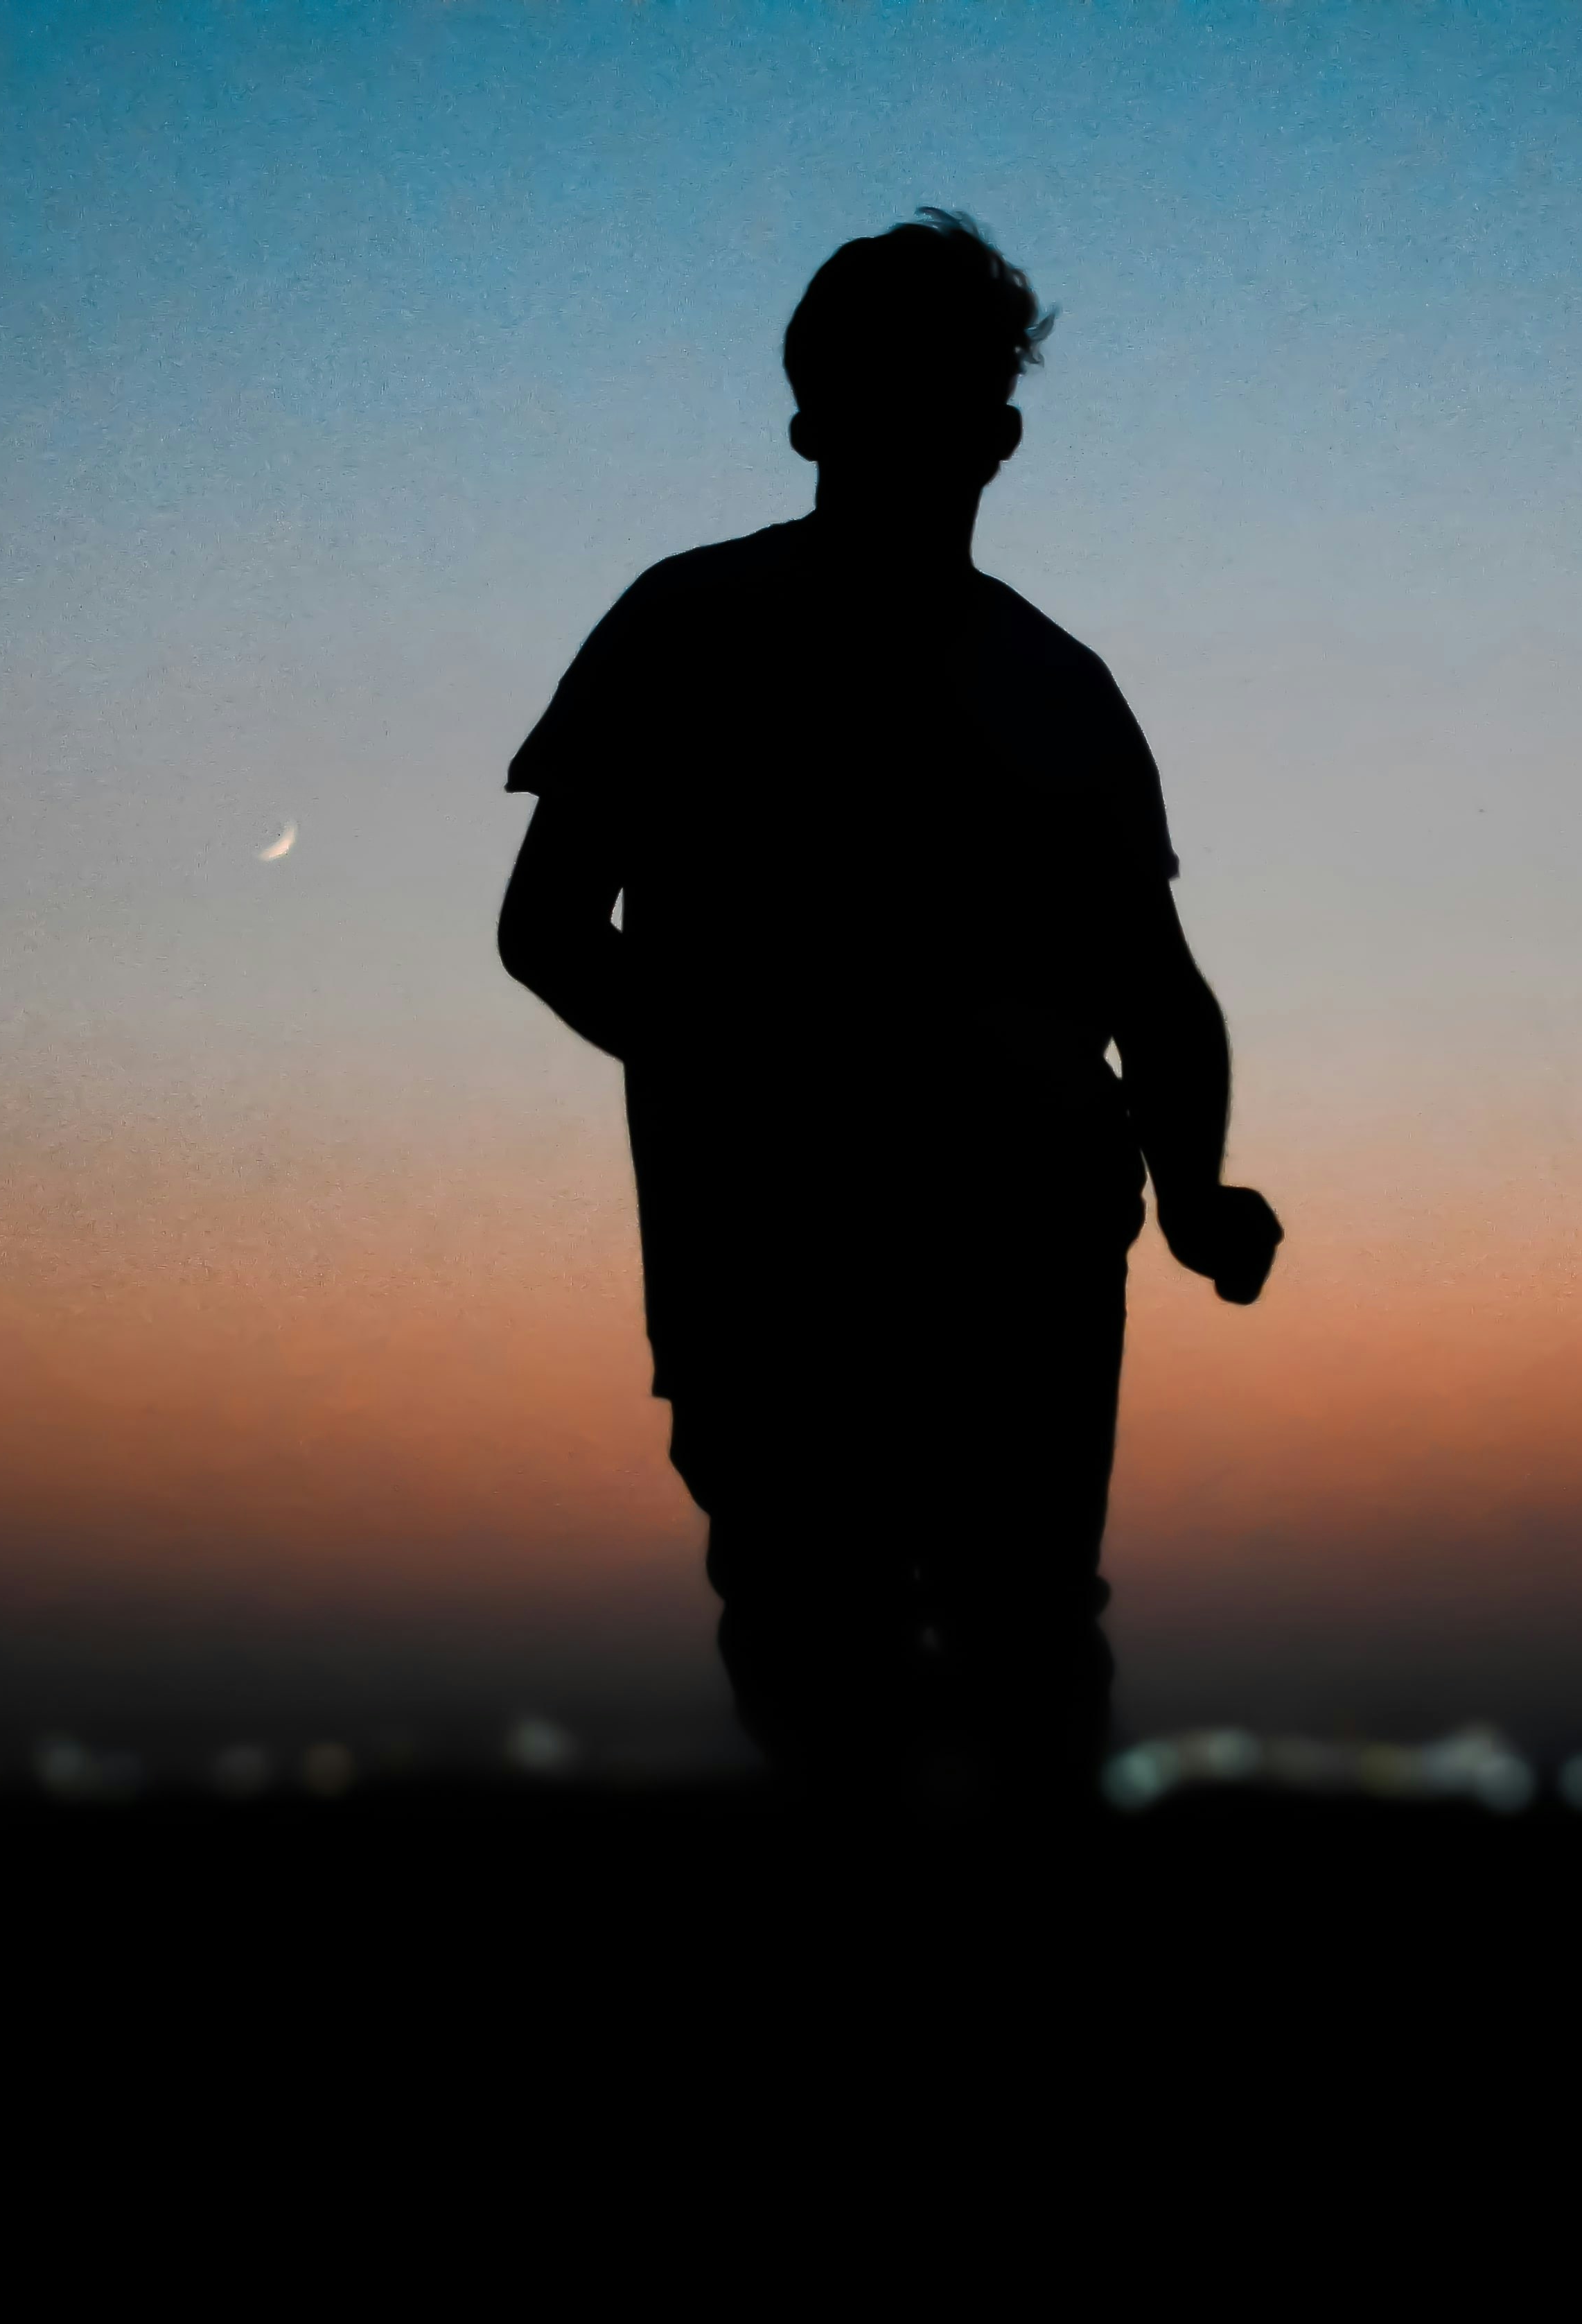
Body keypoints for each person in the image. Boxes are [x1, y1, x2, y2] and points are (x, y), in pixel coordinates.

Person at [498, 209, 1281, 1812]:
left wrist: (1196, 1193)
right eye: (888, 395)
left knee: (1014, 1650)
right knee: (832, 1649)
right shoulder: (686, 627)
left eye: (953, 399)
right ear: (810, 419)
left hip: (1026, 1251)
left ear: (999, 431)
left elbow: (1160, 992)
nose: (931, 435)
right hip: (773, 1269)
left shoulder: (1061, 685)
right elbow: (550, 929)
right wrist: (760, 1082)